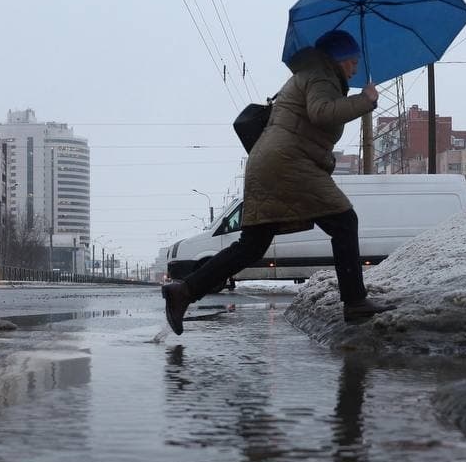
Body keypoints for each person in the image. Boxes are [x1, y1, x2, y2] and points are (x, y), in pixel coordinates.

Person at [161, 29, 396, 336]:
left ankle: (184, 291)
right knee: (343, 220)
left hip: (272, 163)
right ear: (339, 58)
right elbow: (321, 113)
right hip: (288, 163)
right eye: (353, 61)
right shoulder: (321, 75)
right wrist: (365, 101)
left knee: (253, 245)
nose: (355, 68)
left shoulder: (313, 74)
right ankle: (354, 302)